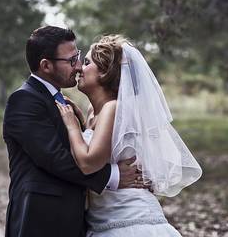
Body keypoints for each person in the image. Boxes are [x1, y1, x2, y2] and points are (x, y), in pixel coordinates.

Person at [3, 26, 146, 237]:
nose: (78, 66)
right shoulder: (25, 100)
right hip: (40, 219)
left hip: (76, 219)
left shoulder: (66, 103)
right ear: (46, 65)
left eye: (78, 57)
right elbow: (55, 158)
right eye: (71, 61)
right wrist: (112, 175)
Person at [55, 34, 202, 235]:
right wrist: (80, 122)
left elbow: (89, 163)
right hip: (102, 221)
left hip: (129, 220)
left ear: (105, 72)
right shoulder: (92, 111)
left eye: (87, 62)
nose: (79, 67)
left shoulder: (113, 108)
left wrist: (72, 127)